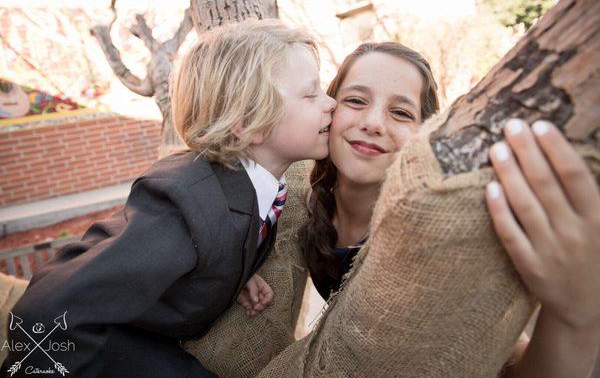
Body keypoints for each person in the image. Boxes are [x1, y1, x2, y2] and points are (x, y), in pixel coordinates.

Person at [238, 42, 599, 376]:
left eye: (400, 112)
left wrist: (573, 319)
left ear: (424, 135)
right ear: (328, 110)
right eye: (356, 101)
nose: (373, 123)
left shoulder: (434, 236)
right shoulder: (307, 197)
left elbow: (504, 359)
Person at [1, 19, 336, 378]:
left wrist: (226, 273)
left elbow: (212, 240)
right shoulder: (185, 205)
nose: (331, 103)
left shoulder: (254, 188)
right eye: (311, 94)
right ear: (249, 122)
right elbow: (46, 316)